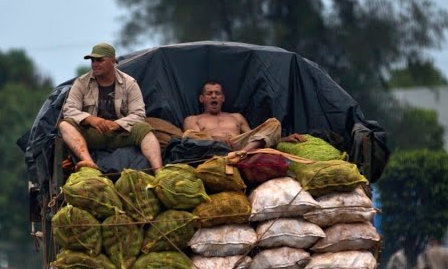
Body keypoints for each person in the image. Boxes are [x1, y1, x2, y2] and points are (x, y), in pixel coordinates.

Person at [58, 42, 163, 173]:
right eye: (92, 60)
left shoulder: (129, 83)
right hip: (93, 134)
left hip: (120, 134)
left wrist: (116, 125)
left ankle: (158, 171)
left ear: (113, 61)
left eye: (100, 60)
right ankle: (89, 162)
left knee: (145, 129)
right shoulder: (81, 83)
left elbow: (139, 114)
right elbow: (68, 110)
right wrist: (91, 120)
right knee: (65, 125)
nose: (94, 64)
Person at [182, 80, 306, 153]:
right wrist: (216, 139)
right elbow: (192, 141)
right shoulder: (193, 119)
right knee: (188, 135)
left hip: (241, 145)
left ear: (223, 98)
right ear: (201, 99)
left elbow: (255, 137)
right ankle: (242, 154)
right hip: (212, 147)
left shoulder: (237, 117)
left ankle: (242, 154)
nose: (214, 96)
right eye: (209, 93)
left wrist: (285, 139)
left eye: (217, 93)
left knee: (274, 123)